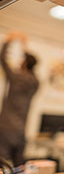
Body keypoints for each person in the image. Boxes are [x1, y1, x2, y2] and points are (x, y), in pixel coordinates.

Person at [0, 31, 39, 167]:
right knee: (19, 165)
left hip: (6, 128)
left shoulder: (16, 77)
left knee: (3, 164)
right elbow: (31, 63)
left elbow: (2, 60)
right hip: (21, 130)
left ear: (24, 63)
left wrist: (7, 41)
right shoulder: (35, 81)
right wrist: (24, 46)